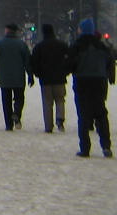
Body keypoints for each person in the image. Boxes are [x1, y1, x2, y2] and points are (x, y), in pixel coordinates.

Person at [66, 18, 114, 158]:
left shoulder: (77, 45)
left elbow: (70, 64)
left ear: (82, 29)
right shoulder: (101, 46)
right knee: (101, 114)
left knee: (83, 115)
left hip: (83, 82)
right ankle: (106, 146)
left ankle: (85, 148)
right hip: (99, 82)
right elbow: (109, 62)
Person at [0, 23, 34, 131]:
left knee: (6, 101)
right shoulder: (21, 44)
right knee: (19, 98)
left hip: (4, 78)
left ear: (6, 31)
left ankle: (8, 124)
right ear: (16, 32)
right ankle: (17, 113)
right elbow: (28, 61)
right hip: (19, 77)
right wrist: (30, 75)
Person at [29, 23, 69, 133]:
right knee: (60, 99)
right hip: (60, 78)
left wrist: (37, 73)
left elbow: (34, 62)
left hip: (45, 79)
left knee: (47, 102)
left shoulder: (39, 47)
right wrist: (65, 71)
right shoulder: (62, 45)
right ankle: (60, 119)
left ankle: (48, 126)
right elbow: (69, 58)